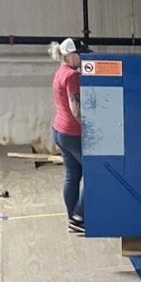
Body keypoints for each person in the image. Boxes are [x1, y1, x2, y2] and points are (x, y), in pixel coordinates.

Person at [49, 37, 90, 234]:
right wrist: (91, 127)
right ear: (70, 55)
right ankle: (79, 216)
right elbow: (76, 109)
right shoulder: (72, 76)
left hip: (59, 131)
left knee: (73, 175)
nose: (82, 58)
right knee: (93, 174)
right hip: (73, 134)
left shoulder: (60, 73)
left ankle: (72, 218)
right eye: (80, 54)